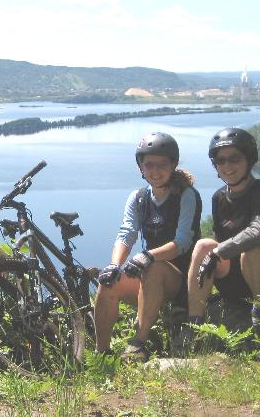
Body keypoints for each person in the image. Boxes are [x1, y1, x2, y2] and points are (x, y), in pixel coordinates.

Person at [94, 132, 202, 361]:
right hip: (149, 275)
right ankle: (101, 353)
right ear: (140, 167)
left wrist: (148, 256)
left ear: (173, 164)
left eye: (162, 164)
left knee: (153, 267)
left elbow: (182, 242)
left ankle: (138, 343)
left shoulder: (186, 195)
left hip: (181, 279)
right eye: (148, 165)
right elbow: (127, 233)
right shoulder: (139, 197)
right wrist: (115, 265)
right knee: (108, 281)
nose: (155, 171)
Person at [186, 127, 260, 336]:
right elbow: (218, 240)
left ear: (249, 159)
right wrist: (213, 252)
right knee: (203, 245)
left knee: (255, 249)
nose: (227, 166)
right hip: (236, 281)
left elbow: (259, 232)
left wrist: (218, 253)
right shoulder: (219, 197)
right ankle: (195, 325)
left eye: (234, 158)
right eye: (221, 161)